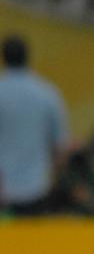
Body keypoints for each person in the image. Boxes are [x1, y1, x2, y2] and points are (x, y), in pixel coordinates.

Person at [0, 35, 69, 216]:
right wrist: (53, 179)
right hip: (37, 187)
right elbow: (60, 146)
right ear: (28, 56)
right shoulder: (46, 94)